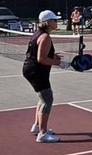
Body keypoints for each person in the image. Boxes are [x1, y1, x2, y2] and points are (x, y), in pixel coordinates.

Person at [23, 10, 69, 142]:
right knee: (47, 99)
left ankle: (37, 126)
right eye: (54, 20)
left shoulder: (38, 34)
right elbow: (41, 59)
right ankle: (42, 134)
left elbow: (38, 52)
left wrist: (52, 56)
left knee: (42, 98)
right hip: (37, 71)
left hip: (30, 69)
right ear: (48, 22)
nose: (56, 22)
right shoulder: (45, 37)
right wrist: (60, 63)